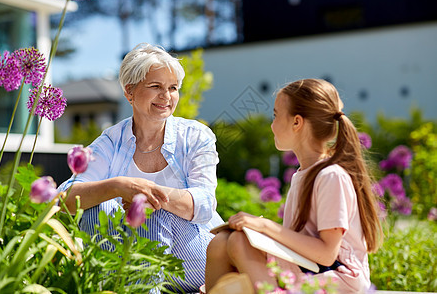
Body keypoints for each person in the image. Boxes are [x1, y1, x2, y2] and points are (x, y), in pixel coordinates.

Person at [58, 43, 224, 293]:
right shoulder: (112, 140)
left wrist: (148, 194)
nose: (166, 96)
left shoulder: (196, 135)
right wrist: (117, 186)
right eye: (156, 86)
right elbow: (64, 198)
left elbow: (204, 204)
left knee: (151, 210)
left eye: (173, 88)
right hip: (128, 260)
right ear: (129, 92)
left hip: (197, 257)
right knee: (93, 206)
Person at [205, 79, 383, 293]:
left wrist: (265, 226)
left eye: (275, 115)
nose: (271, 124)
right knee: (220, 242)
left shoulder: (331, 176)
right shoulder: (303, 175)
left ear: (297, 122)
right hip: (311, 267)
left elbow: (327, 253)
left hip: (337, 277)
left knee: (238, 242)